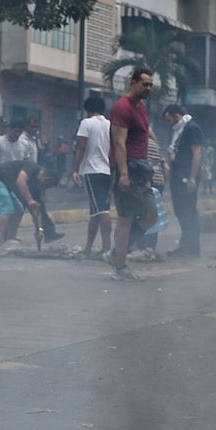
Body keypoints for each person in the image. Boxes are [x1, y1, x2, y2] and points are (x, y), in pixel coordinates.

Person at [108, 67, 155, 282]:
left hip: (143, 169)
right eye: (144, 83)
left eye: (150, 84)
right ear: (133, 82)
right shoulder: (122, 107)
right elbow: (119, 142)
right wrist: (123, 174)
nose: (148, 87)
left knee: (151, 216)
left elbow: (147, 133)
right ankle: (120, 266)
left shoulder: (141, 107)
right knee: (126, 218)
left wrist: (160, 157)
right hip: (128, 168)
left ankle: (117, 250)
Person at [71, 93, 113, 259]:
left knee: (102, 210)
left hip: (92, 170)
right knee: (96, 211)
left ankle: (106, 248)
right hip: (107, 171)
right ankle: (89, 247)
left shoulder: (86, 123)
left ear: (88, 110)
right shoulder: (110, 124)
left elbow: (81, 147)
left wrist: (75, 169)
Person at [161, 104, 205, 258]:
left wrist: (192, 178)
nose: (168, 123)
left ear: (176, 116)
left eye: (169, 120)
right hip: (178, 174)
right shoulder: (178, 131)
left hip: (186, 175)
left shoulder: (191, 128)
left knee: (188, 210)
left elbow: (197, 153)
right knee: (180, 210)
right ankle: (186, 244)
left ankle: (192, 247)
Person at [0, 158, 54, 248]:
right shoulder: (32, 168)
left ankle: (10, 237)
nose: (44, 188)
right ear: (45, 178)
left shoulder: (36, 184)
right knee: (6, 209)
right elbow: (20, 181)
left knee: (18, 208)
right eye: (46, 185)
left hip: (4, 185)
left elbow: (36, 209)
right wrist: (29, 200)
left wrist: (39, 229)